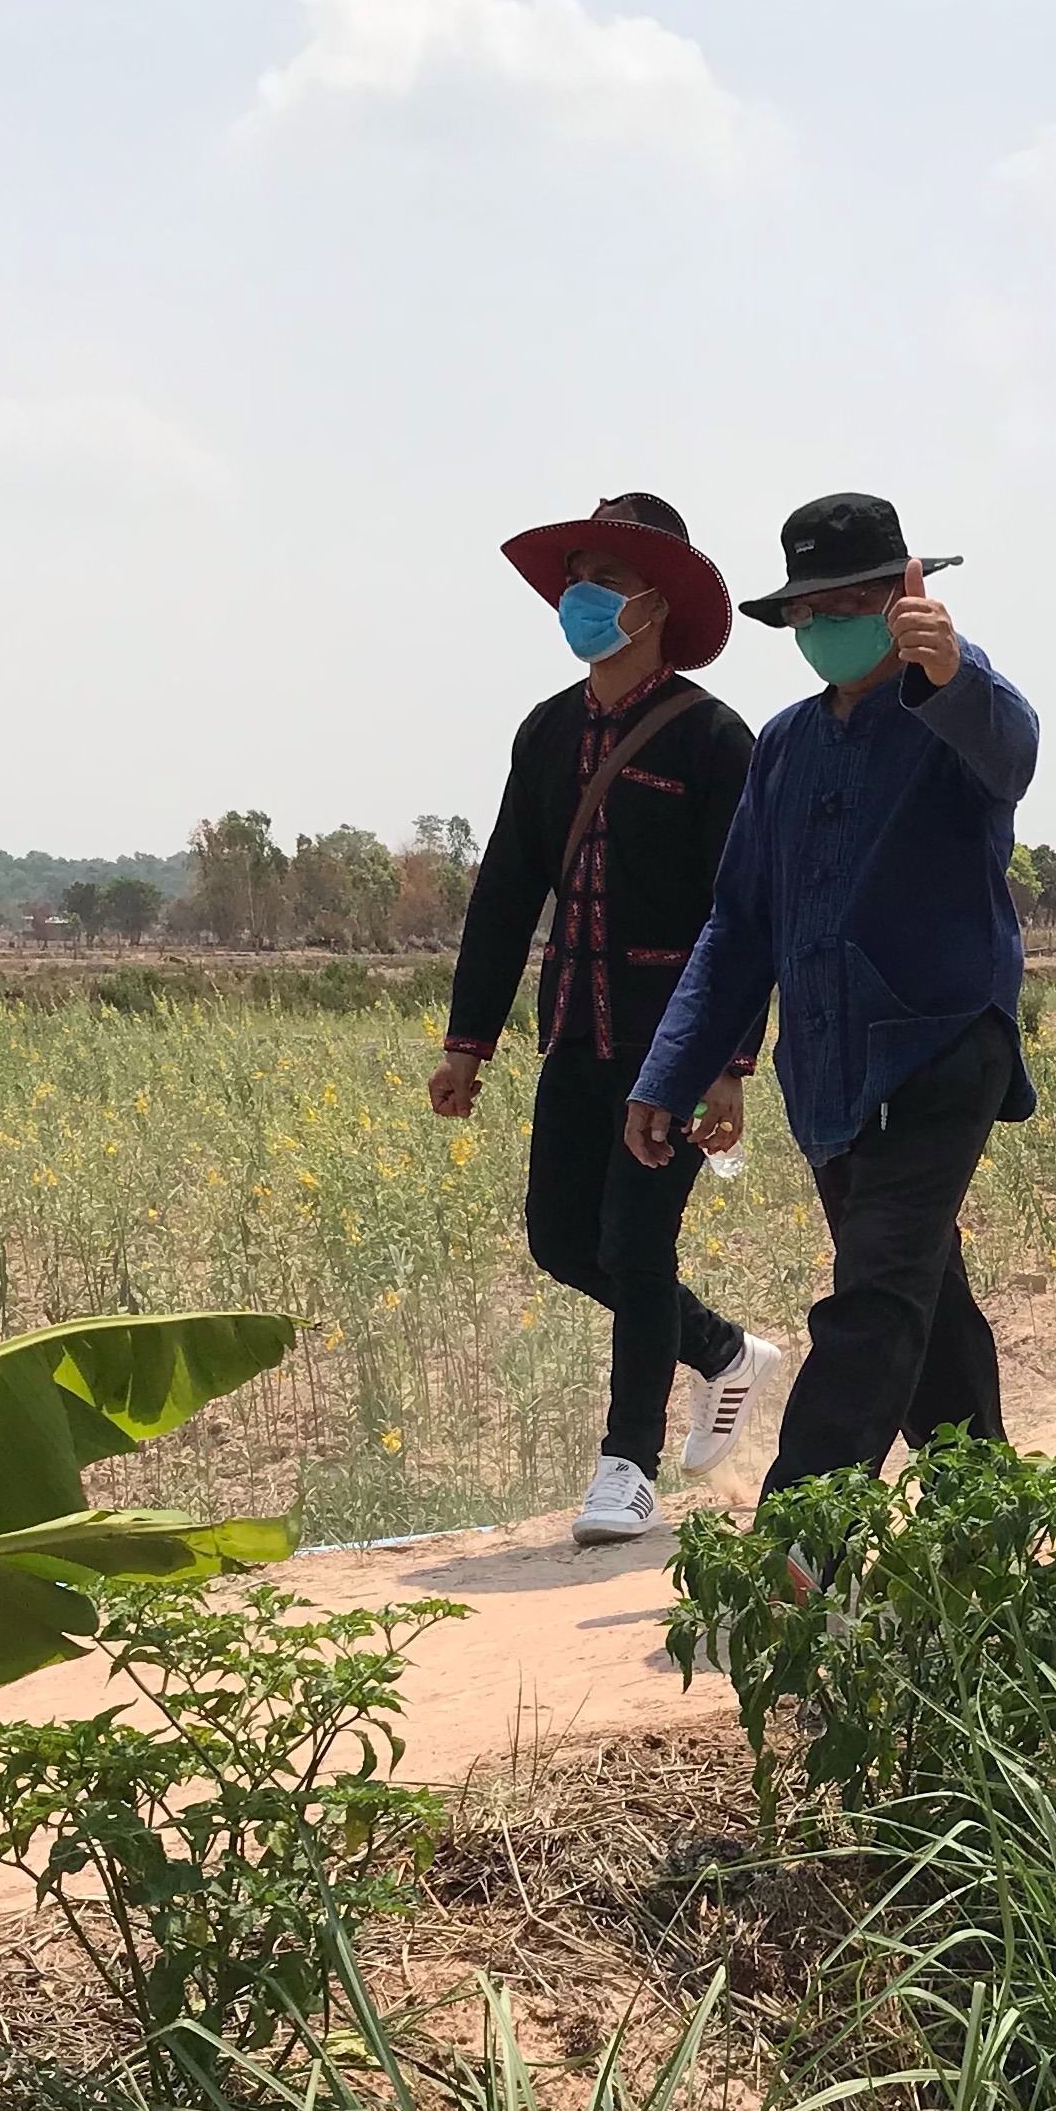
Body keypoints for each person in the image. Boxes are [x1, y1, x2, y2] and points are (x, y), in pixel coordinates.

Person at [630, 496, 1038, 1492]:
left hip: (941, 1049)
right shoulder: (786, 745)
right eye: (808, 611)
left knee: (874, 1297)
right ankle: (983, 1510)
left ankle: (799, 1536)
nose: (825, 625)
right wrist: (672, 1072)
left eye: (851, 603)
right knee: (923, 1294)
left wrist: (953, 669)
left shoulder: (954, 708)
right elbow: (740, 923)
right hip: (829, 1070)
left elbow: (1013, 753)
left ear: (906, 597)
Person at [436, 495, 782, 1546]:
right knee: (559, 1239)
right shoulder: (547, 732)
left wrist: (728, 1060)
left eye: (606, 580)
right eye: (574, 578)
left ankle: (627, 1469)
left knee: (636, 1245)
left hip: (671, 1037)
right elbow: (506, 891)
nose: (580, 598)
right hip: (575, 1030)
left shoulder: (715, 738)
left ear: (655, 602)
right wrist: (467, 1042)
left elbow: (744, 912)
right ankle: (722, 1351)